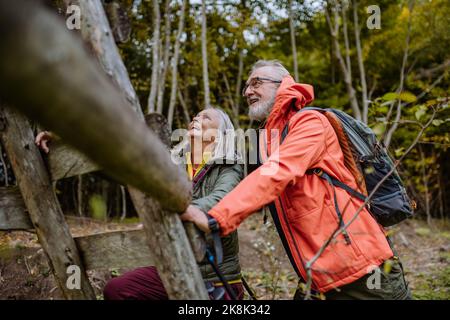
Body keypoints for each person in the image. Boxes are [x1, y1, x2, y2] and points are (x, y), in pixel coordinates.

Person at [181, 60, 411, 300]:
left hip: (363, 270)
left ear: (283, 84)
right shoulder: (269, 138)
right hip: (318, 276)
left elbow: (278, 172)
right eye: (247, 86)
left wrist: (215, 216)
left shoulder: (309, 122)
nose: (248, 91)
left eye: (257, 82)